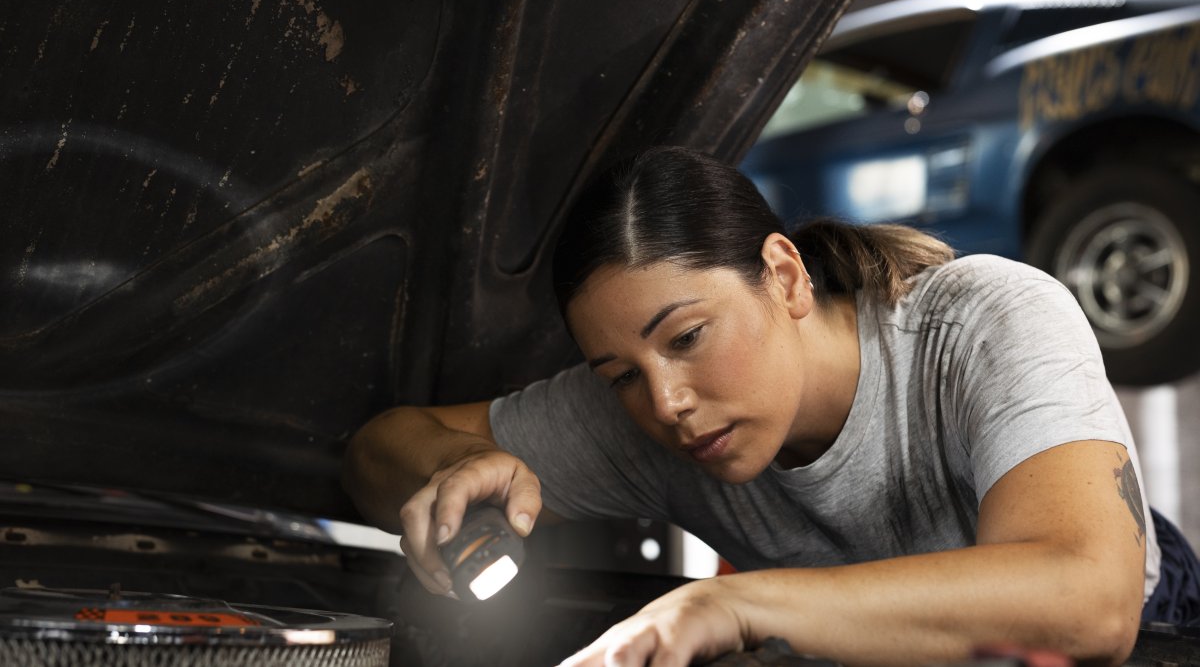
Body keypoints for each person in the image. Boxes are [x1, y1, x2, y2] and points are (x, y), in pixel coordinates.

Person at [342, 146, 1198, 666]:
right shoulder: (644, 410)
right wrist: (451, 468)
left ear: (785, 276)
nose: (667, 401)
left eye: (687, 336)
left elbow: (1090, 604)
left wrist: (730, 604)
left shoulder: (983, 319)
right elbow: (376, 450)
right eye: (619, 373)